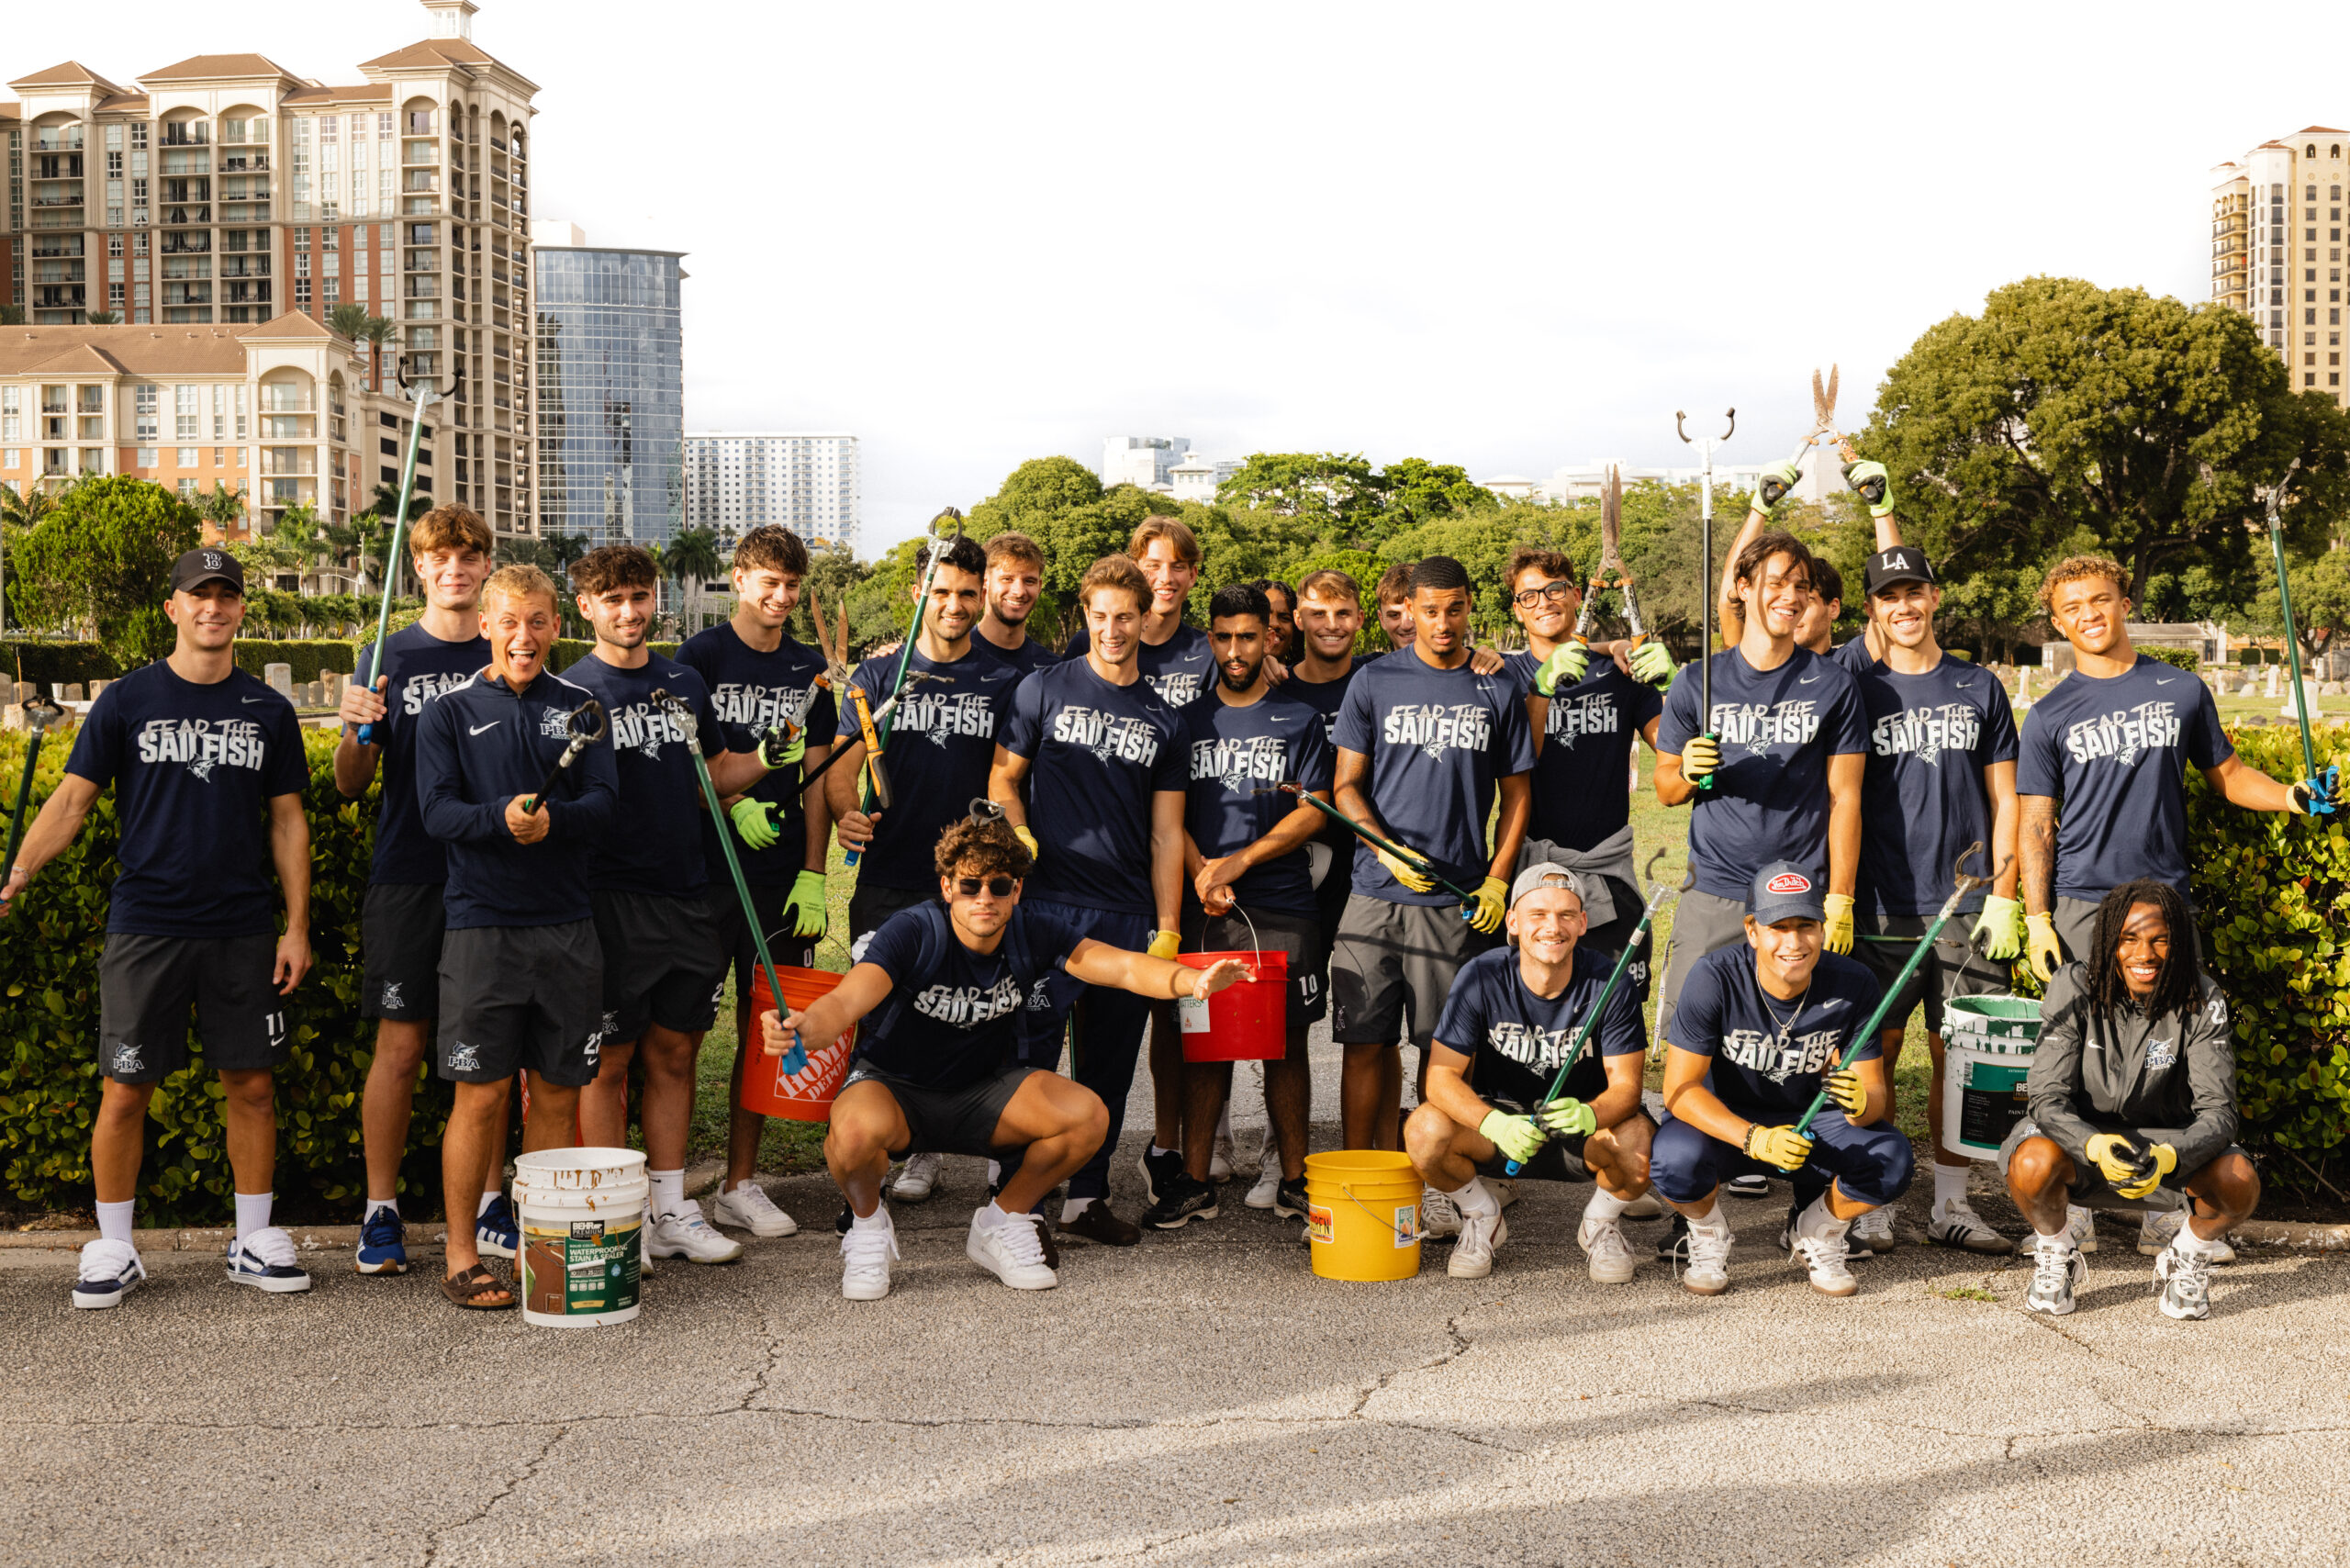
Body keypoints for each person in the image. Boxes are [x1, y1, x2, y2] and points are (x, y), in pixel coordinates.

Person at [761, 814, 1249, 1298]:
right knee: (850, 1134)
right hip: (896, 1090)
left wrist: (1191, 981)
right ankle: (868, 1229)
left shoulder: (1032, 929)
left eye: (998, 886)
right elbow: (846, 1002)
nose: (984, 899)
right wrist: (804, 1027)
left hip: (981, 1093)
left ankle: (1002, 1220)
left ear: (1017, 890)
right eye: (970, 886)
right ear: (947, 886)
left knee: (1086, 1115)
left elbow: (1120, 966)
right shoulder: (913, 930)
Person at [6, 550, 312, 1309]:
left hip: (241, 926)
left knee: (252, 1084)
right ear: (172, 608)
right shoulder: (128, 701)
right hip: (147, 923)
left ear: (242, 610)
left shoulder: (266, 710)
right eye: (198, 596)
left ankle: (251, 1239)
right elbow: (72, 803)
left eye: (226, 597)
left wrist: (297, 925)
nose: (213, 608)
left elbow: (287, 822)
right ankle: (114, 1246)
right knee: (124, 1088)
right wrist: (18, 873)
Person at [565, 544, 787, 1265]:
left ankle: (669, 1208)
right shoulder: (570, 692)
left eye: (640, 597)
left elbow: (711, 775)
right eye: (614, 601)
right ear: (587, 609)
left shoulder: (684, 682)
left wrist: (771, 757)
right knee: (609, 1061)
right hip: (608, 898)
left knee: (675, 1052)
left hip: (686, 892)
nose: (630, 613)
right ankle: (611, 1215)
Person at [415, 564, 619, 1309]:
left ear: (555, 625)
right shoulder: (448, 713)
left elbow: (604, 805)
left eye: (536, 621)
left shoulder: (584, 707)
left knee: (558, 1096)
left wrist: (554, 821)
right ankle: (463, 1255)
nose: (523, 637)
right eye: (509, 622)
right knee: (481, 1094)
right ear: (485, 627)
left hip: (567, 930)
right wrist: (501, 817)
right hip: (482, 931)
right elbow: (436, 814)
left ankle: (542, 1251)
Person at [1330, 555, 1535, 1234]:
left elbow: (1517, 795)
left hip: (1453, 902)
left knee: (1442, 1058)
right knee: (1364, 1044)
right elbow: (1346, 788)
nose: (1443, 623)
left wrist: (1499, 877)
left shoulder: (1496, 686)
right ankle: (1367, 1182)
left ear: (1470, 605)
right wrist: (1383, 846)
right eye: (1429, 610)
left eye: (1455, 609)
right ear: (1407, 610)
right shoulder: (1373, 680)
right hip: (1374, 895)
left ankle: (1442, 1184)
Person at [990, 554, 1188, 1245]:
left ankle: (1087, 1197)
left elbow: (1168, 834)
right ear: (1085, 615)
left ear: (1144, 617)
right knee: (1032, 1055)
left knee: (1107, 1062)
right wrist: (1019, 835)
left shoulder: (1165, 716)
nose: (1112, 629)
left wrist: (1165, 926)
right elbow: (1004, 777)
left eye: (1125, 617)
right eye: (1100, 616)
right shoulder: (1042, 688)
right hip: (1048, 906)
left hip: (1126, 912)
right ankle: (1017, 1199)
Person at [1838, 545, 2022, 1258]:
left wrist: (2004, 893)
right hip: (1884, 905)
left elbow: (2006, 797)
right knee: (1874, 1056)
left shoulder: (1979, 685)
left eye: (1915, 592)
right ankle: (1876, 1195)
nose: (1905, 606)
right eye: (1889, 596)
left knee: (1963, 1058)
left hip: (1969, 904)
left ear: (1936, 598)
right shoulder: (1858, 685)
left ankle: (1952, 1202)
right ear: (1873, 610)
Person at [331, 504, 500, 1276]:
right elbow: (349, 785)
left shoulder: (511, 646)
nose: (456, 569)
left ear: (486, 568)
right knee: (400, 1048)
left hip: (495, 875)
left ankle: (492, 1202)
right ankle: (381, 1209)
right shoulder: (385, 654)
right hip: (409, 871)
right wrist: (355, 730)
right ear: (422, 569)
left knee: (492, 1053)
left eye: (470, 556)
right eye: (442, 557)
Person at [826, 533, 1020, 1205]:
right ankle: (868, 1165)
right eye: (942, 592)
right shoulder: (875, 678)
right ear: (918, 595)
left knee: (958, 1013)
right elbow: (839, 773)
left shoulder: (1004, 681)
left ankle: (932, 1148)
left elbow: (1009, 775)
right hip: (889, 875)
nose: (956, 605)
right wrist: (848, 813)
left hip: (968, 884)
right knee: (880, 1019)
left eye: (969, 593)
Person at [2020, 554, 2328, 974]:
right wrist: (2038, 919)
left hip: (2165, 895)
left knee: (2175, 1032)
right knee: (2087, 1036)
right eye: (2071, 608)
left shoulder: (2183, 690)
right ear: (2058, 624)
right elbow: (2036, 825)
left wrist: (2290, 797)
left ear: (2124, 605)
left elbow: (2231, 776)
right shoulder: (2048, 714)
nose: (2088, 615)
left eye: (2100, 600)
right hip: (2083, 900)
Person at [1142, 584, 1333, 1230]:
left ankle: (1296, 1179)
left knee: (1286, 1044)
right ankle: (1195, 1181)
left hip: (1282, 900)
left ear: (1270, 639)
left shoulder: (1299, 719)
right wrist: (1203, 871)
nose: (1233, 650)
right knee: (1205, 1041)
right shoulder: (1185, 721)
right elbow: (1166, 814)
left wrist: (1241, 862)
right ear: (1210, 638)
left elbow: (1314, 813)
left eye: (1247, 636)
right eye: (1222, 637)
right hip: (1205, 904)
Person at [676, 524, 835, 1240]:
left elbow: (816, 778)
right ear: (738, 579)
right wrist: (734, 805)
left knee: (764, 1026)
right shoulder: (698, 658)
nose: (781, 597)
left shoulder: (810, 670)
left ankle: (741, 1183)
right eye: (769, 582)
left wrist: (812, 873)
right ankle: (666, 1191)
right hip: (704, 869)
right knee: (678, 1034)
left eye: (792, 586)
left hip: (777, 877)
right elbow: (683, 759)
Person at [1650, 861, 1912, 1298]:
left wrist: (1861, 1103)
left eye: (1806, 926)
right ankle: (1708, 1232)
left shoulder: (1854, 982)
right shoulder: (1713, 976)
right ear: (1752, 930)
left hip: (1813, 1125)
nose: (1794, 942)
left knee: (1892, 1157)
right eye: (1778, 927)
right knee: (1672, 1159)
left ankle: (1819, 1229)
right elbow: (1678, 1091)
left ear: (1823, 928)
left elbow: (1875, 1097)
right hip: (1728, 1123)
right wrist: (1754, 1138)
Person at [2003, 880, 2257, 1321]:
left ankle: (2188, 1252)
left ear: (2178, 944)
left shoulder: (2201, 996)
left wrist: (2172, 1154)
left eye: (2160, 940)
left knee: (2239, 1179)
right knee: (2030, 1164)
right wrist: (2092, 1144)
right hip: (2084, 1141)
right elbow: (2046, 1097)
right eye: (2129, 939)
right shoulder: (2073, 986)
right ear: (2109, 942)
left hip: (2167, 1146)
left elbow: (2219, 1111)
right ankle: (2057, 1249)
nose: (2146, 954)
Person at [1653, 531, 1866, 1043]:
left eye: (1802, 586)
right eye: (1776, 583)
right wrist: (1686, 770)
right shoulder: (1697, 681)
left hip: (1797, 888)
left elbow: (1846, 797)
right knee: (1693, 1037)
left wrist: (1840, 897)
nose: (1790, 597)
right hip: (1715, 887)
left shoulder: (1834, 684)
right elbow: (1664, 788)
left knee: (1789, 1041)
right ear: (1744, 588)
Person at [1404, 868, 1656, 1282]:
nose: (1552, 927)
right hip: (1501, 1129)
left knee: (1639, 1143)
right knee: (1423, 1130)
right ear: (1514, 923)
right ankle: (1482, 1215)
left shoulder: (1612, 981)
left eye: (1565, 915)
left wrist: (1591, 1115)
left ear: (1583, 922)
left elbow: (1627, 1088)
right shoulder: (1480, 975)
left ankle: (1600, 1224)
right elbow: (1441, 1078)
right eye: (1537, 914)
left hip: (1582, 1128)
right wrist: (1493, 1122)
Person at [1500, 545, 1669, 996]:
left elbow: (1671, 750)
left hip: (1607, 868)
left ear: (1577, 595)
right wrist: (1541, 688)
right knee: (1539, 1007)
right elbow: (1519, 760)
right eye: (1529, 596)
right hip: (1535, 867)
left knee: (1618, 1005)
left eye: (1554, 590)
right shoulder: (1505, 677)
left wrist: (1675, 689)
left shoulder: (1619, 671)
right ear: (1517, 612)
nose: (1544, 602)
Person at [975, 531, 1060, 681]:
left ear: (1039, 586)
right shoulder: (953, 657)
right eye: (1007, 579)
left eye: (1029, 581)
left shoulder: (1052, 669)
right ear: (984, 582)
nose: (1019, 592)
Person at [1248, 577, 1297, 663]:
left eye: (1285, 618)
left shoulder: (1310, 676)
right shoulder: (1221, 674)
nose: (1274, 624)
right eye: (1264, 615)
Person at [1373, 562, 1417, 652]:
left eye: (1414, 612)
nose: (1406, 626)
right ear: (1382, 619)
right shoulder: (1371, 666)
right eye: (1394, 615)